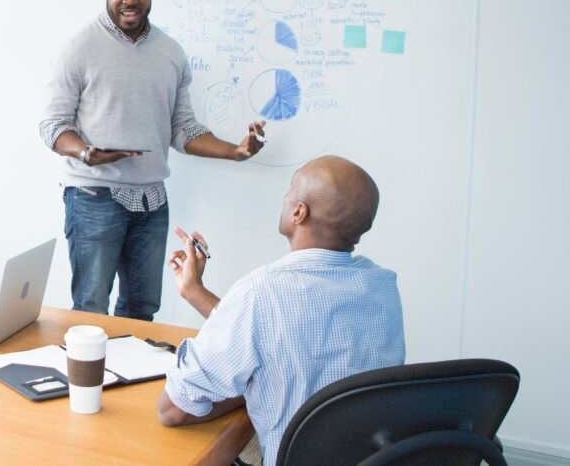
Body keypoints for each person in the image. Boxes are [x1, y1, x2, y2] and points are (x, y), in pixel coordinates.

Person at [39, 0, 266, 321]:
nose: (131, 0)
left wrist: (236, 151)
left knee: (143, 308)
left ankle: (130, 377)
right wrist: (84, 153)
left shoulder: (171, 52)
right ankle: (88, 380)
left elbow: (183, 129)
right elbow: (53, 125)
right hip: (93, 197)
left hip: (152, 203)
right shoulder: (77, 48)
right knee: (91, 308)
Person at [157, 155, 405, 465]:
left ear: (299, 212)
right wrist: (196, 292)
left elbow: (175, 409)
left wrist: (250, 393)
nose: (285, 197)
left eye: (290, 189)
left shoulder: (262, 291)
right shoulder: (381, 287)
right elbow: (282, 332)